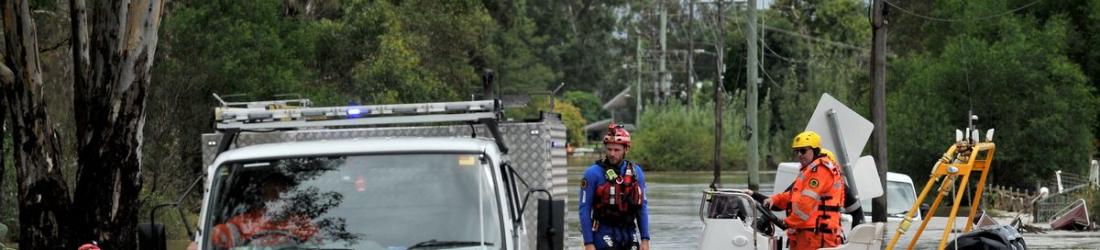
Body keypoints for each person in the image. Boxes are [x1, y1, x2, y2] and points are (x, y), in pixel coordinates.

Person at [764, 131, 846, 250]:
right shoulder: (809, 170)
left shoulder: (820, 170)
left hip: (816, 235)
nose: (799, 155)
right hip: (806, 234)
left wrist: (788, 222)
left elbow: (806, 203)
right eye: (796, 151)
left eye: (803, 150)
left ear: (815, 150)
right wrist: (774, 200)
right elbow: (794, 195)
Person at [579, 123, 650, 250]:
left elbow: (642, 207)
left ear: (626, 150)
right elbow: (584, 209)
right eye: (609, 149)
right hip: (603, 231)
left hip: (629, 231)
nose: (612, 153)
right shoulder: (592, 173)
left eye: (617, 150)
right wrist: (588, 243)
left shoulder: (636, 172)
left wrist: (645, 239)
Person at [209, 173, 317, 248]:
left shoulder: (302, 224)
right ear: (264, 196)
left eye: (282, 192)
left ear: (290, 195)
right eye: (271, 192)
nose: (277, 197)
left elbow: (320, 244)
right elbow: (216, 236)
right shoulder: (245, 222)